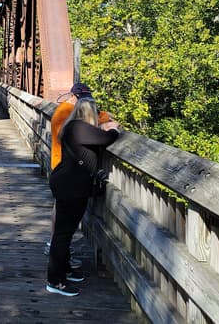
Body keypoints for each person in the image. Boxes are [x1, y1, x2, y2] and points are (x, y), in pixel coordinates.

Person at [46, 87, 122, 297]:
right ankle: (55, 281)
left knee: (66, 232)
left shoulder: (73, 126)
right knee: (63, 234)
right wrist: (114, 128)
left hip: (69, 184)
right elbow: (107, 140)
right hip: (70, 186)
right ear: (89, 112)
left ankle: (65, 270)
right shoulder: (78, 128)